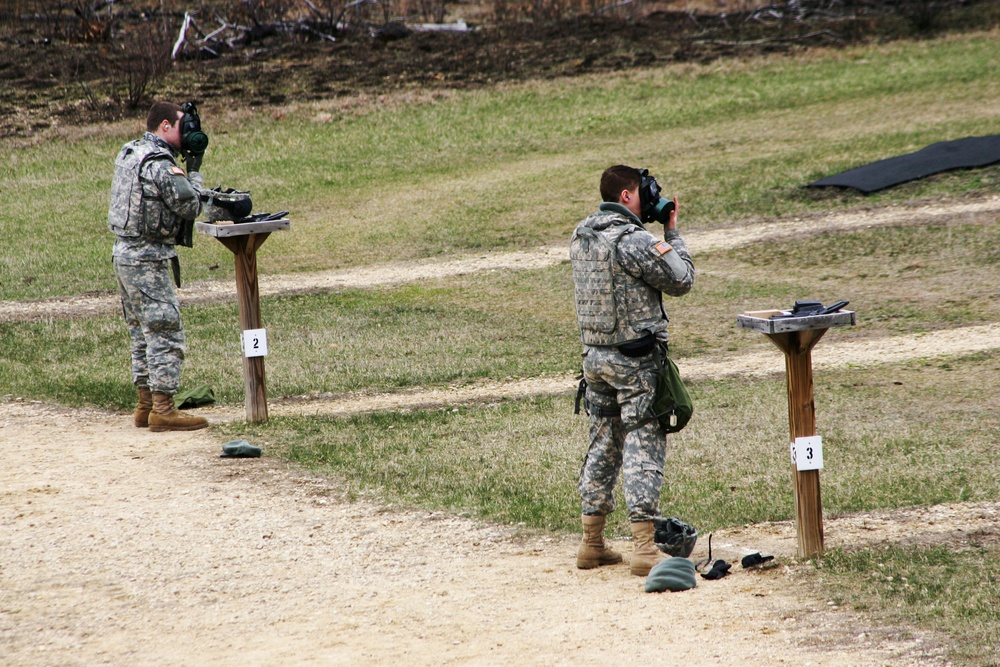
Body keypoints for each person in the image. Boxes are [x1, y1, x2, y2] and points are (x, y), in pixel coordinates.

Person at [570, 165, 695, 576]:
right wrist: (672, 232)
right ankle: (644, 548)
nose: (647, 198)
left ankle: (592, 543)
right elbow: (682, 279)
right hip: (635, 362)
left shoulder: (583, 233)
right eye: (642, 192)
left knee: (603, 442)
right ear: (626, 196)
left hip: (595, 359)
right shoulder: (633, 239)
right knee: (644, 441)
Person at [108, 101, 208, 432]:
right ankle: (163, 410)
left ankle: (145, 405)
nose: (188, 132)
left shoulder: (130, 152)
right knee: (165, 331)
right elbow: (189, 205)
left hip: (123, 253)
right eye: (184, 125)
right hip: (147, 258)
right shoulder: (161, 163)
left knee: (141, 333)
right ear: (165, 126)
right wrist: (194, 171)